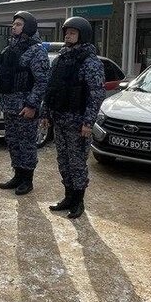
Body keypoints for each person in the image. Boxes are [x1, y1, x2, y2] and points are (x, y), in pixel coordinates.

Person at [41, 17, 105, 218]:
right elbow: (50, 88)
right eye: (66, 32)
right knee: (63, 161)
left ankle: (78, 201)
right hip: (60, 119)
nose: (68, 35)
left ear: (82, 35)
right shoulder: (60, 59)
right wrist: (45, 113)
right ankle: (68, 197)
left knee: (77, 163)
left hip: (78, 123)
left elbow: (96, 94)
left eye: (73, 32)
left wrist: (88, 122)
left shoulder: (90, 62)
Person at [0, 11, 50, 196]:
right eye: (14, 24)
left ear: (28, 27)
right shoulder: (8, 49)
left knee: (27, 144)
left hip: (25, 107)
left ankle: (27, 179)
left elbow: (42, 82)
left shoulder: (36, 51)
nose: (13, 26)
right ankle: (17, 174)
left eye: (18, 24)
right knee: (13, 142)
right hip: (8, 106)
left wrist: (32, 105)